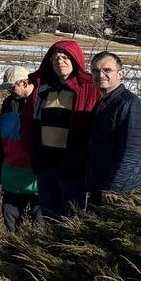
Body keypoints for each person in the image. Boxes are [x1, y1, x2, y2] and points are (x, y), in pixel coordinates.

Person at [23, 40, 99, 217]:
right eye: (56, 58)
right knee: (49, 216)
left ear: (75, 60)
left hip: (73, 166)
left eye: (65, 57)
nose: (60, 61)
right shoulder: (41, 88)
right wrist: (30, 149)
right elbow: (26, 121)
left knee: (73, 216)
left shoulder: (88, 88)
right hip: (45, 165)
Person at [86, 52, 141, 204]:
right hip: (105, 185)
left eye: (107, 70)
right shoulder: (105, 102)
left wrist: (114, 187)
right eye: (95, 71)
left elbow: (132, 152)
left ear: (120, 74)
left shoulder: (130, 104)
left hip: (127, 191)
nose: (100, 75)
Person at [0, 66, 41, 231]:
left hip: (38, 174)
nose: (9, 91)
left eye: (12, 86)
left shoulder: (43, 99)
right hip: (12, 173)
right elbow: (1, 138)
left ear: (25, 82)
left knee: (41, 224)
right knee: (10, 222)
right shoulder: (9, 103)